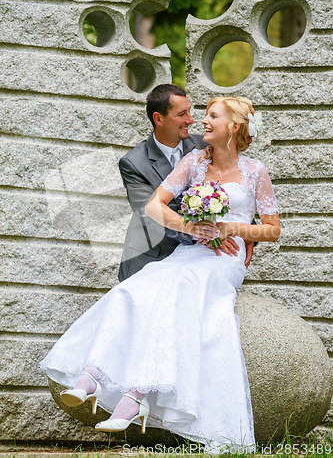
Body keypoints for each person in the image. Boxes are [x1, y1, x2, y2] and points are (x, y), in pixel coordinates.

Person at [40, 96, 280, 453]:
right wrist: (192, 227)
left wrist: (229, 229)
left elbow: (273, 229)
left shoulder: (255, 171)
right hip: (191, 250)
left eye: (212, 116)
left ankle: (136, 396)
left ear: (234, 126)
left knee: (180, 288)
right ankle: (90, 376)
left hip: (223, 261)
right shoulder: (194, 161)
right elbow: (153, 205)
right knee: (135, 288)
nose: (202, 121)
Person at [118, 84, 253, 282]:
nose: (190, 120)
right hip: (152, 257)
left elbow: (235, 185)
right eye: (181, 114)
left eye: (189, 112)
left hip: (199, 258)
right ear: (158, 119)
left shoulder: (206, 144)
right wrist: (208, 234)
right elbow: (149, 213)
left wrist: (246, 233)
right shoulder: (134, 163)